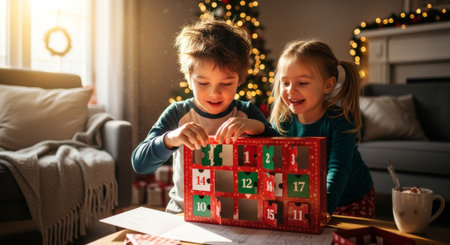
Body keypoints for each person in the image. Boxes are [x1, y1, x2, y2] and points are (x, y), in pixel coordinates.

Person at [132, 18, 278, 214]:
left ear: (239, 80)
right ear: (189, 79)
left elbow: (281, 159)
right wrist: (170, 139)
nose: (214, 93)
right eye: (202, 83)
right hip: (183, 213)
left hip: (237, 214)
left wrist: (258, 128)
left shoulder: (247, 112)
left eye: (226, 84)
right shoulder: (178, 113)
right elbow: (140, 164)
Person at [269, 40, 375, 218]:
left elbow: (338, 169)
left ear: (328, 85)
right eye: (285, 83)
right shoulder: (283, 123)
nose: (290, 90)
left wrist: (323, 209)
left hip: (352, 199)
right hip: (309, 200)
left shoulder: (340, 122)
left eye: (302, 83)